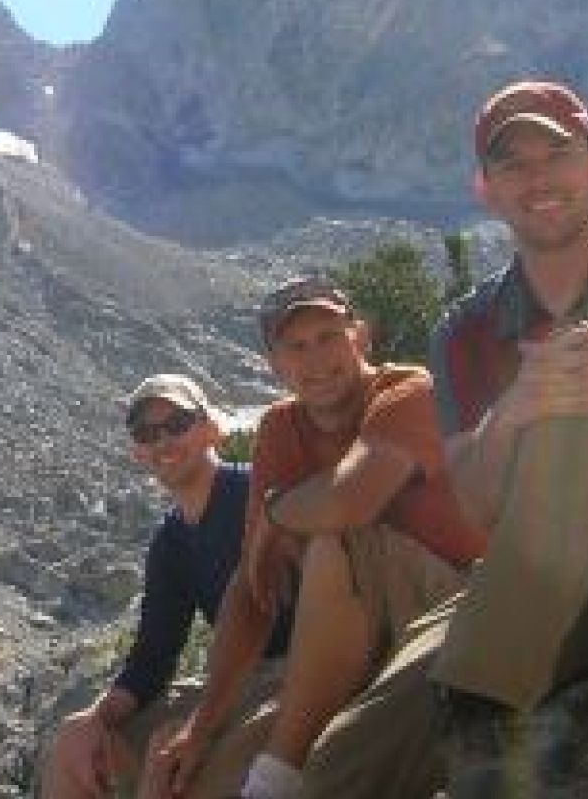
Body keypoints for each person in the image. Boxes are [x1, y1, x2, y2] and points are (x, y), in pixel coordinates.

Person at [291, 76, 588, 798]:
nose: (537, 177)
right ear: (485, 188)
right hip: (544, 591)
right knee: (347, 760)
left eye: (556, 153)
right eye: (511, 162)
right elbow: (481, 511)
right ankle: (476, 699)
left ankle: (484, 720)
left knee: (585, 410)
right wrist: (512, 411)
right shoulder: (463, 333)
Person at [147, 278, 486, 799]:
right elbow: (250, 591)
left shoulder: (408, 393)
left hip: (452, 609)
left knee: (335, 540)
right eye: (296, 347)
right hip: (359, 640)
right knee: (192, 777)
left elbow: (351, 500)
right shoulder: (282, 429)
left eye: (329, 336)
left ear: (362, 337)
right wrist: (202, 724)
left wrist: (278, 516)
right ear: (274, 365)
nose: (316, 358)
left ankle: (277, 776)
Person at [40, 374, 293, 799]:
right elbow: (152, 659)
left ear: (210, 427)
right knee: (76, 744)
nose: (163, 442)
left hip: (294, 671)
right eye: (147, 433)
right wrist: (93, 719)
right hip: (237, 683)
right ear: (138, 451)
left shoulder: (253, 493)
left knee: (175, 768)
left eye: (177, 424)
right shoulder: (171, 541)